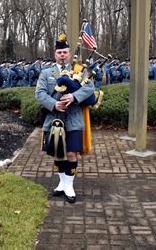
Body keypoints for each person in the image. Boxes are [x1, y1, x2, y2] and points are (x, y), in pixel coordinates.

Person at [35, 34, 95, 204]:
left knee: (71, 153)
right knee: (57, 153)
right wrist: (54, 104)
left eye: (65, 52)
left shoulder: (79, 71)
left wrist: (74, 97)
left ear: (70, 54)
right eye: (59, 52)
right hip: (54, 119)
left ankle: (69, 185)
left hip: (74, 119)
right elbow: (39, 93)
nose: (62, 55)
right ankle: (62, 183)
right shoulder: (46, 73)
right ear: (55, 54)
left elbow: (90, 88)